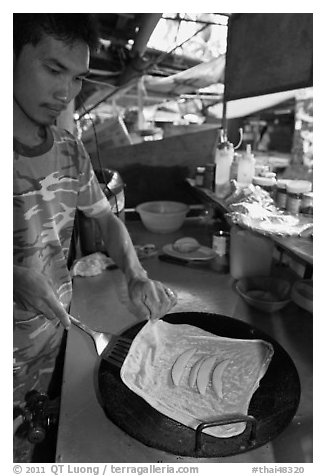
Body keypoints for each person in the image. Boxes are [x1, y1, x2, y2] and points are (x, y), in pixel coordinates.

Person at [13, 13, 177, 461]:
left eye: (78, 77)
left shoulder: (70, 150)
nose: (66, 92)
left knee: (32, 438)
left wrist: (136, 273)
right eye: (52, 69)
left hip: (57, 335)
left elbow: (107, 221)